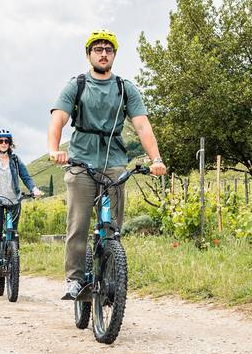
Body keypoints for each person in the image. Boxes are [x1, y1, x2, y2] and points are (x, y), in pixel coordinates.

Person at [47, 29, 167, 300]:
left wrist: (156, 159)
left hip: (114, 161)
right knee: (78, 224)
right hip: (80, 161)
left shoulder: (125, 88)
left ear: (114, 55)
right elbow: (58, 119)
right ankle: (75, 280)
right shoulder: (76, 85)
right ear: (89, 54)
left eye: (108, 50)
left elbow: (142, 126)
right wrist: (54, 149)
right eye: (98, 49)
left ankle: (112, 274)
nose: (103, 53)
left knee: (112, 228)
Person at [0, 129, 43, 276]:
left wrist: (34, 189)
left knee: (13, 232)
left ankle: (13, 258)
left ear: (10, 143)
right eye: (1, 141)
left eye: (7, 141)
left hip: (14, 199)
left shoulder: (16, 160)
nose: (4, 143)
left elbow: (26, 177)